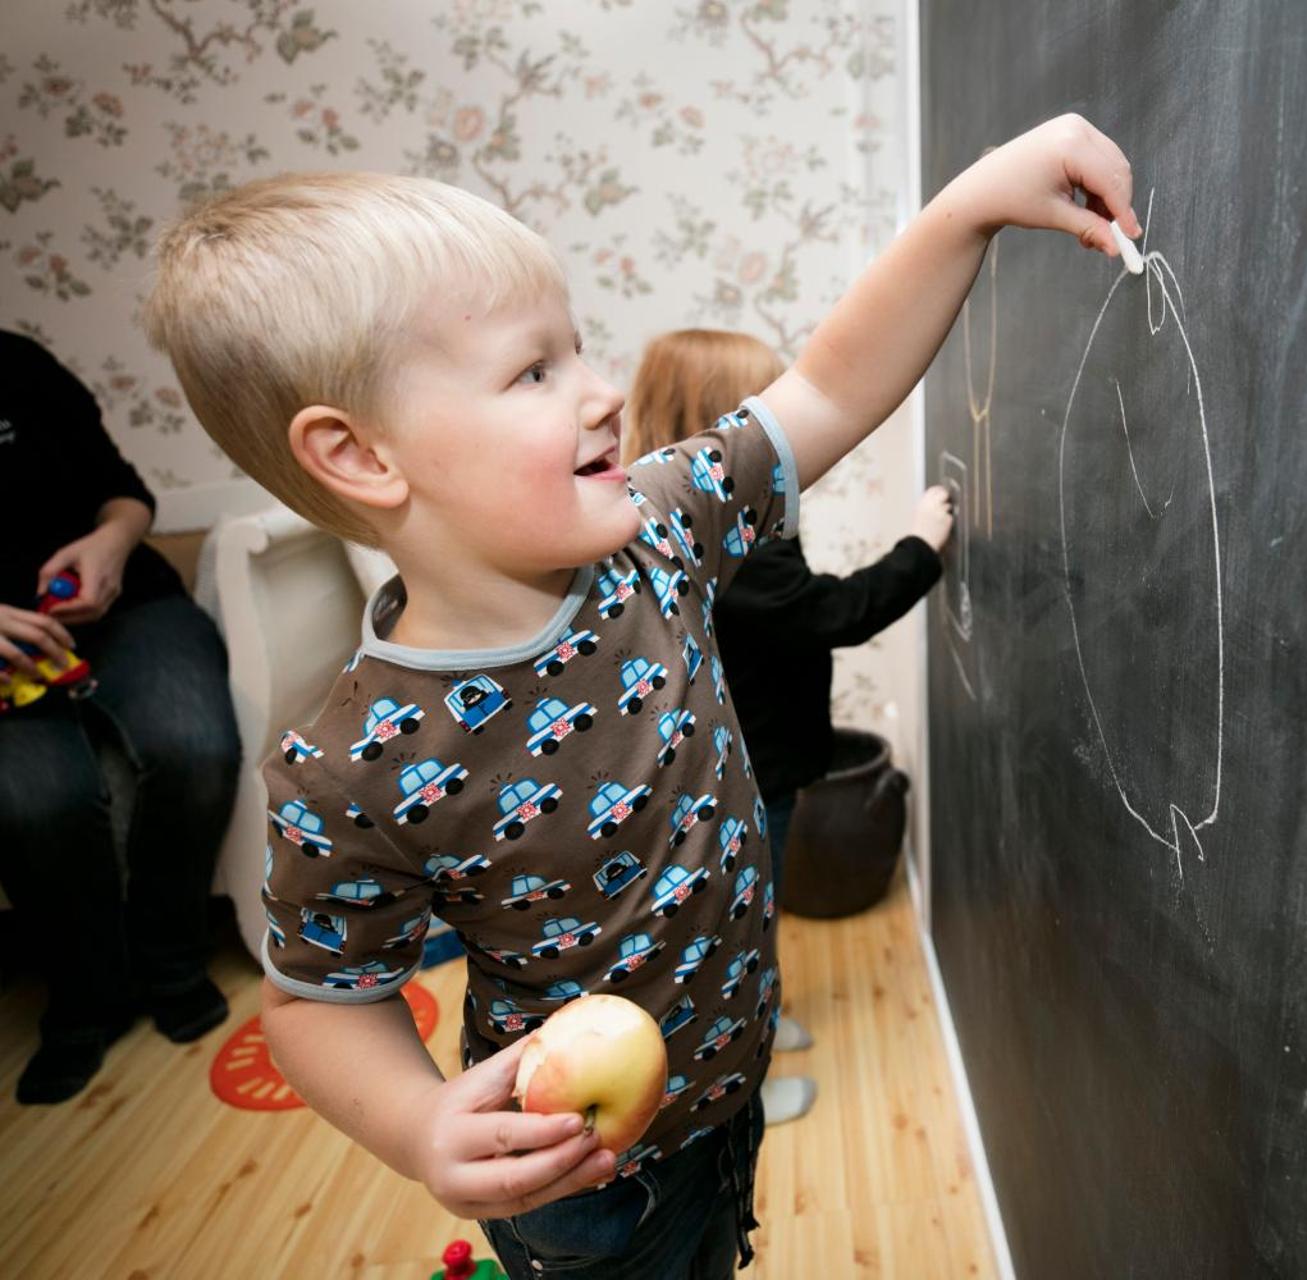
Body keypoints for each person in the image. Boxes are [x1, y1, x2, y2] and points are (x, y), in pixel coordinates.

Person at [141, 113, 1137, 1278]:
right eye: (533, 369)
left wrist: (971, 201)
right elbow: (316, 1003)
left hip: (727, 1091)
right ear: (361, 456)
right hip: (586, 1188)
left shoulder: (658, 532)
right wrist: (419, 1126)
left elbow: (825, 387)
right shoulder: (347, 764)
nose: (604, 391)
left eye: (577, 348)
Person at [625, 329, 953, 1127]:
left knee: (746, 920)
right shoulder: (727, 548)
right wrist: (920, 546)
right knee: (734, 930)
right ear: (719, 429)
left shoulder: (694, 528)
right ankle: (738, 1089)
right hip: (744, 775)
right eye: (765, 417)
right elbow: (831, 613)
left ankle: (757, 1027)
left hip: (739, 764)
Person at [0, 330, 241, 1105]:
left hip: (127, 606)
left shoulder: (17, 362)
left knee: (196, 746)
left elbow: (124, 491)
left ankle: (174, 959)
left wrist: (110, 543)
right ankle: (87, 999)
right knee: (40, 801)